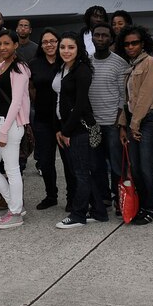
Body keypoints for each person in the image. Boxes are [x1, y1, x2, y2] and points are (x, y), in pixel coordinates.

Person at [54, 31, 108, 228]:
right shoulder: (64, 68)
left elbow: (80, 104)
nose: (66, 51)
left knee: (81, 173)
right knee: (82, 171)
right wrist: (61, 128)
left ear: (79, 49)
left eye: (71, 47)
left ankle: (78, 215)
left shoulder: (82, 69)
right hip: (69, 127)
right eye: (63, 47)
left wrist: (67, 130)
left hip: (80, 129)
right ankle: (99, 212)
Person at [0, 29, 31, 229]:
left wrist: (3, 131)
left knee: (12, 170)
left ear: (15, 45)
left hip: (11, 126)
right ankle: (15, 205)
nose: (1, 48)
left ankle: (16, 213)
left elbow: (17, 102)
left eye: (5, 44)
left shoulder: (19, 68)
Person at [115, 25, 153, 225]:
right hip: (134, 121)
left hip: (148, 120)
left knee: (146, 166)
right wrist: (124, 126)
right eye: (126, 44)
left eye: (134, 43)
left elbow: (146, 95)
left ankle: (151, 209)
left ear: (143, 44)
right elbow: (127, 100)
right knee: (134, 168)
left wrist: (135, 124)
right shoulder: (131, 66)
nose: (130, 46)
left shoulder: (150, 62)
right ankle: (141, 206)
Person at [29, 28, 75, 210]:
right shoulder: (34, 63)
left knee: (68, 161)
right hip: (42, 119)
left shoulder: (66, 62)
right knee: (46, 162)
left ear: (59, 42)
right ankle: (51, 195)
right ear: (41, 45)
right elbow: (31, 87)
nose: (49, 44)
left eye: (53, 41)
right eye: (45, 41)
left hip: (64, 119)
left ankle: (71, 197)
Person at [87, 22, 128, 212]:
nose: (101, 39)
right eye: (97, 35)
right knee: (95, 165)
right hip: (93, 124)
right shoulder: (87, 62)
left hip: (112, 123)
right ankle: (103, 199)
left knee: (117, 166)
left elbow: (123, 96)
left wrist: (119, 123)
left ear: (111, 38)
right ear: (92, 37)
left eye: (105, 36)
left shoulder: (119, 63)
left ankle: (120, 200)